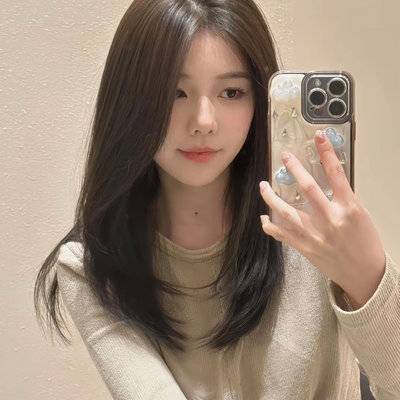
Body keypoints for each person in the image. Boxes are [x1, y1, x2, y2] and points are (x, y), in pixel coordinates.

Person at [33, 1, 400, 399]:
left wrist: (369, 281)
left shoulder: (312, 232)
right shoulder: (93, 268)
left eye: (231, 92)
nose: (204, 121)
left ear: (259, 100)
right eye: (175, 92)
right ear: (130, 100)